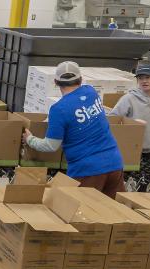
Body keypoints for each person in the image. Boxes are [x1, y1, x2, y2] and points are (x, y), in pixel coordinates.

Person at [23, 61, 125, 198]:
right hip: (115, 163)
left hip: (88, 170)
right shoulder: (91, 92)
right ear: (81, 79)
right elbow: (78, 110)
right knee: (116, 212)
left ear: (55, 82)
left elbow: (50, 145)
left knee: (83, 215)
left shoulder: (59, 109)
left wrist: (30, 139)